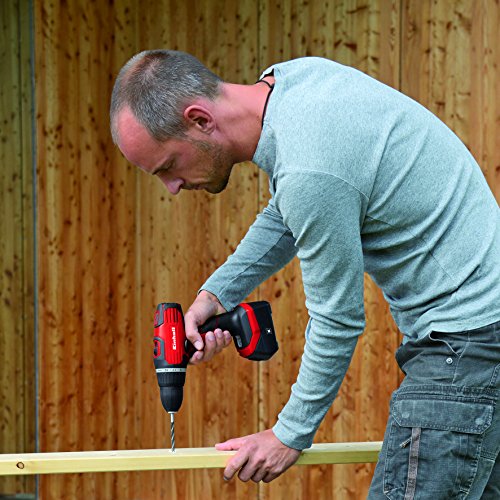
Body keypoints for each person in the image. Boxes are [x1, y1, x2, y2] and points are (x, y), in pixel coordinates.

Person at [110, 50, 500, 498]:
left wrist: (289, 434)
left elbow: (338, 319)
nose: (172, 187)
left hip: (464, 346)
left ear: (199, 119)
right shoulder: (296, 82)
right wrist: (214, 296)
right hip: (482, 338)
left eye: (168, 167)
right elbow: (288, 213)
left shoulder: (310, 169)